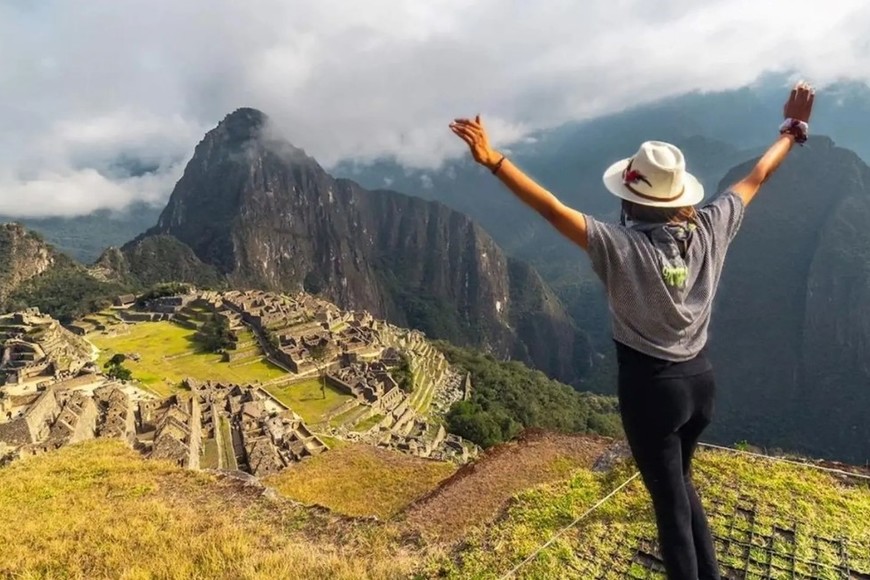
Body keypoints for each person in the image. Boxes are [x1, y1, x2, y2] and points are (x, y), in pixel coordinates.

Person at [449, 81, 815, 580]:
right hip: (701, 382)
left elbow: (551, 208)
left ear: (631, 200)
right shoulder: (711, 225)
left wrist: (493, 160)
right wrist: (793, 131)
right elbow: (757, 177)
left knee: (668, 507)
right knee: (680, 485)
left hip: (651, 390)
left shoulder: (620, 247)